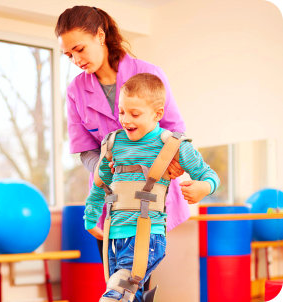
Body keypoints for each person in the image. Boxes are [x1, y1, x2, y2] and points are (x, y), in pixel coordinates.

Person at [55, 5, 186, 289]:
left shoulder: (148, 73)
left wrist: (160, 165)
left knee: (132, 280)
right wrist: (103, 165)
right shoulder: (76, 90)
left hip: (146, 197)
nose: (76, 59)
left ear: (100, 36)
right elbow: (85, 149)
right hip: (107, 199)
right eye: (69, 55)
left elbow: (175, 131)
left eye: (79, 49)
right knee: (113, 279)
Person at [84, 73, 220, 302]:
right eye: (121, 111)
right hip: (114, 235)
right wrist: (91, 217)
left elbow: (209, 174)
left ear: (157, 114)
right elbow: (100, 184)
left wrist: (203, 187)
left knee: (116, 295)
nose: (125, 120)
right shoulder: (113, 143)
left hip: (147, 235)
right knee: (130, 295)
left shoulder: (172, 144)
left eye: (134, 114)